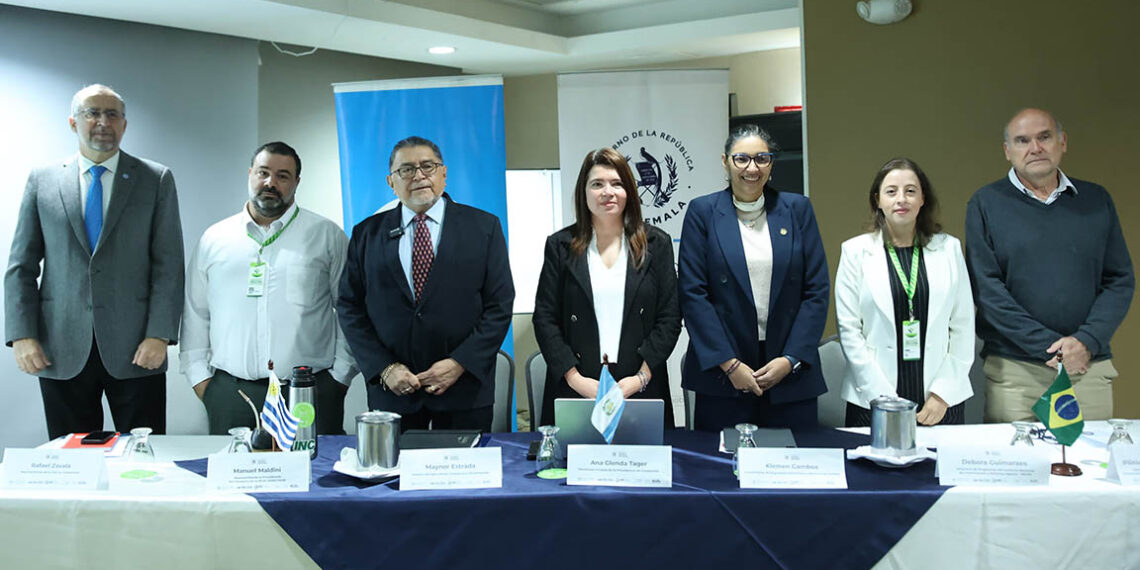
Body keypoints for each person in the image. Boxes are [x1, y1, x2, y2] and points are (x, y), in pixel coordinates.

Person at [5, 84, 184, 439]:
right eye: (92, 113)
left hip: (137, 348)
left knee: (143, 457)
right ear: (73, 122)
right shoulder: (43, 180)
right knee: (72, 460)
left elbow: (169, 266)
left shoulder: (155, 179)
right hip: (60, 347)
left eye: (112, 114)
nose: (103, 122)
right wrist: (22, 335)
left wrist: (159, 334)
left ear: (124, 124)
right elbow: (21, 266)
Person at [966, 108, 1134, 423]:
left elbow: (1119, 280)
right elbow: (987, 290)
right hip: (1016, 372)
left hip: (1086, 367)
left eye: (1044, 137)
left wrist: (1086, 342)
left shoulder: (1096, 200)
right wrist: (1051, 348)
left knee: (1088, 455)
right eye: (1022, 140)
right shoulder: (985, 203)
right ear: (1007, 151)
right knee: (1014, 456)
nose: (1035, 148)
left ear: (1063, 142)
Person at [337, 136, 514, 432]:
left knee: (466, 464)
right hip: (393, 392)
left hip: (464, 391)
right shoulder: (366, 234)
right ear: (391, 182)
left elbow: (500, 304)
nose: (419, 176)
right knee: (394, 465)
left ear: (443, 173)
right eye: (406, 169)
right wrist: (384, 368)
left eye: (427, 166)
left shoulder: (484, 227)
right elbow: (349, 307)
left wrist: (460, 363)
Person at [180, 142, 357, 435]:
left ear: (296, 182)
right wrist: (202, 380)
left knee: (315, 464)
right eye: (263, 173)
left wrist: (339, 377)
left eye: (282, 176)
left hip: (309, 392)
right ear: (250, 173)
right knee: (234, 465)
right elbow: (196, 312)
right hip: (231, 393)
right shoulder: (215, 239)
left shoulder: (326, 236)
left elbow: (350, 309)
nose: (270, 183)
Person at [677, 124, 830, 431]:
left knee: (792, 459)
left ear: (771, 164)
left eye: (762, 158)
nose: (752, 168)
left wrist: (790, 359)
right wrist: (729, 364)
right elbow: (693, 294)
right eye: (742, 159)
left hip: (788, 373)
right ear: (725, 162)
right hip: (724, 375)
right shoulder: (703, 212)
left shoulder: (797, 209)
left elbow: (816, 290)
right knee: (720, 461)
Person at [533, 148, 681, 428]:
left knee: (641, 455)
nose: (607, 192)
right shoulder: (560, 246)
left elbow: (670, 317)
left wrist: (640, 378)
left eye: (617, 183)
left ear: (629, 191)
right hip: (578, 386)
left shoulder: (657, 244)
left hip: (640, 385)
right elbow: (545, 318)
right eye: (597, 184)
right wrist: (575, 379)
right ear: (584, 192)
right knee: (575, 456)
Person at [835, 158, 974, 427]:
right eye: (891, 191)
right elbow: (849, 331)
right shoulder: (855, 252)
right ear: (877, 200)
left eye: (910, 191)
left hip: (940, 401)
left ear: (923, 199)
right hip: (872, 399)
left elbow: (964, 325)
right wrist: (884, 399)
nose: (902, 199)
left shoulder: (949, 249)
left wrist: (943, 394)